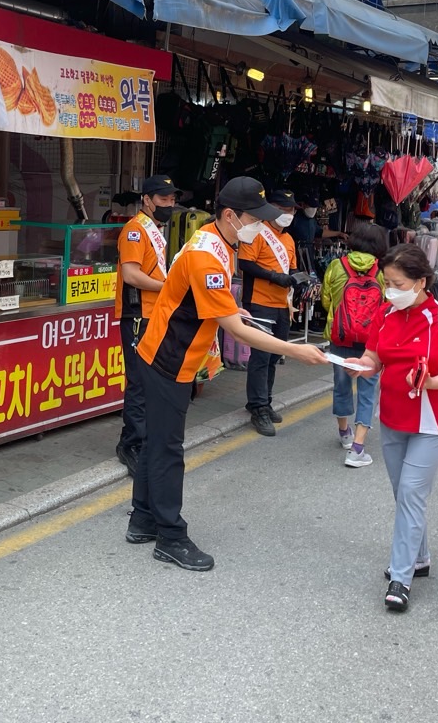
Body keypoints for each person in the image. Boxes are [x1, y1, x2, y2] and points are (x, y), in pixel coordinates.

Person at [128, 176, 329, 572]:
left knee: (157, 442)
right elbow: (236, 331)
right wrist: (295, 350)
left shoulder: (215, 239)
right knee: (168, 449)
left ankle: (143, 519)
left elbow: (196, 296)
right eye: (255, 219)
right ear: (231, 216)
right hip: (170, 358)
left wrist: (230, 307)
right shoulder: (209, 254)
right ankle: (170, 536)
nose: (261, 226)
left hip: (165, 352)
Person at [350, 244, 438, 613]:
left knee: (410, 492)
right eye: (387, 283)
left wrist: (431, 382)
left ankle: (400, 578)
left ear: (421, 282)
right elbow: (374, 357)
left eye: (398, 283)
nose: (391, 290)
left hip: (432, 422)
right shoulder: (385, 314)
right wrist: (360, 365)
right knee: (403, 494)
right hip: (393, 416)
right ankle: (419, 558)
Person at [114, 175, 179, 476]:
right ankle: (130, 444)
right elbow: (131, 275)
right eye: (163, 199)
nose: (169, 204)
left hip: (155, 314)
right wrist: (167, 287)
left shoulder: (154, 230)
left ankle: (142, 439)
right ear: (147, 200)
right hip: (138, 315)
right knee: (139, 383)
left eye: (172, 199)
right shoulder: (135, 230)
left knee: (151, 382)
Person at [320, 220, 388, 467]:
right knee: (368, 389)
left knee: (342, 385)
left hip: (340, 336)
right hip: (371, 340)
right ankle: (358, 447)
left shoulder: (336, 266)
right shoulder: (381, 271)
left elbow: (326, 301)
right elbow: (387, 304)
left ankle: (344, 433)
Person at [238, 189, 300, 437]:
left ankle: (265, 400)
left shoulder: (289, 239)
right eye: (283, 209)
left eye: (291, 210)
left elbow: (292, 269)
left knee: (275, 355)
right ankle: (258, 407)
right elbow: (245, 264)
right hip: (259, 302)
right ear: (271, 208)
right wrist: (273, 276)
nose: (288, 214)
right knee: (261, 357)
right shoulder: (256, 232)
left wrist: (299, 280)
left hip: (282, 304)